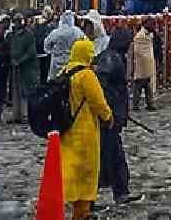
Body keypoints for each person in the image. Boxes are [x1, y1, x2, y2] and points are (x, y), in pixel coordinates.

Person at [60, 39, 114, 220]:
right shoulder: (86, 75)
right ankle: (82, 213)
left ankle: (76, 208)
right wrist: (108, 116)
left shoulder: (65, 71)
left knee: (71, 170)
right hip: (85, 131)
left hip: (67, 129)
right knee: (86, 173)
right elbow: (97, 101)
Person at [94, 28, 144, 206]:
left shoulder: (112, 56)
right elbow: (102, 84)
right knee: (111, 157)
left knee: (111, 157)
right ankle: (115, 192)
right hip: (108, 117)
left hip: (111, 115)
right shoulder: (110, 59)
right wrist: (112, 109)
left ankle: (116, 191)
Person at [43, 11, 86, 81]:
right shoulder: (78, 32)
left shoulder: (56, 32)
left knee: (55, 84)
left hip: (56, 64)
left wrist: (51, 52)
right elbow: (84, 44)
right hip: (72, 63)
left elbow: (46, 45)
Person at [130, 22, 158, 111]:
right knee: (147, 86)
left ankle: (136, 105)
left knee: (137, 87)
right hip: (148, 65)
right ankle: (150, 103)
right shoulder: (148, 37)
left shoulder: (138, 38)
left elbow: (136, 52)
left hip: (140, 66)